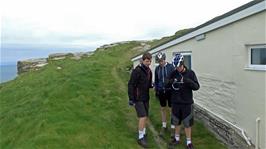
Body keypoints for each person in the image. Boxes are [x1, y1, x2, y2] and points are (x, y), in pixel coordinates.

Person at [167, 53, 200, 149]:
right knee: (176, 121)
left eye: (179, 67)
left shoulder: (190, 73)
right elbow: (166, 83)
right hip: (175, 102)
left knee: (187, 122)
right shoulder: (173, 73)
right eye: (176, 67)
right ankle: (176, 139)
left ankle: (189, 142)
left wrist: (186, 80)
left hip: (187, 102)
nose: (177, 69)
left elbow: (196, 87)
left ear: (182, 64)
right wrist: (172, 81)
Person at [128, 52, 153, 148]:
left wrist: (152, 86)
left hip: (146, 97)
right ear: (142, 60)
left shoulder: (149, 71)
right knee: (142, 116)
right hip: (138, 98)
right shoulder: (137, 71)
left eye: (150, 61)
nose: (148, 63)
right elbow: (131, 84)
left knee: (146, 116)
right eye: (147, 61)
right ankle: (140, 137)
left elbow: (149, 85)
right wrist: (131, 98)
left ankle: (144, 132)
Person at [154, 52, 175, 139]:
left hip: (170, 91)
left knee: (171, 109)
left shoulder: (171, 67)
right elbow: (156, 80)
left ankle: (173, 127)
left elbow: (174, 78)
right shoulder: (157, 69)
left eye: (161, 61)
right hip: (161, 91)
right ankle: (164, 125)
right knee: (163, 108)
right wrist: (156, 89)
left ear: (164, 59)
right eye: (159, 61)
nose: (160, 63)